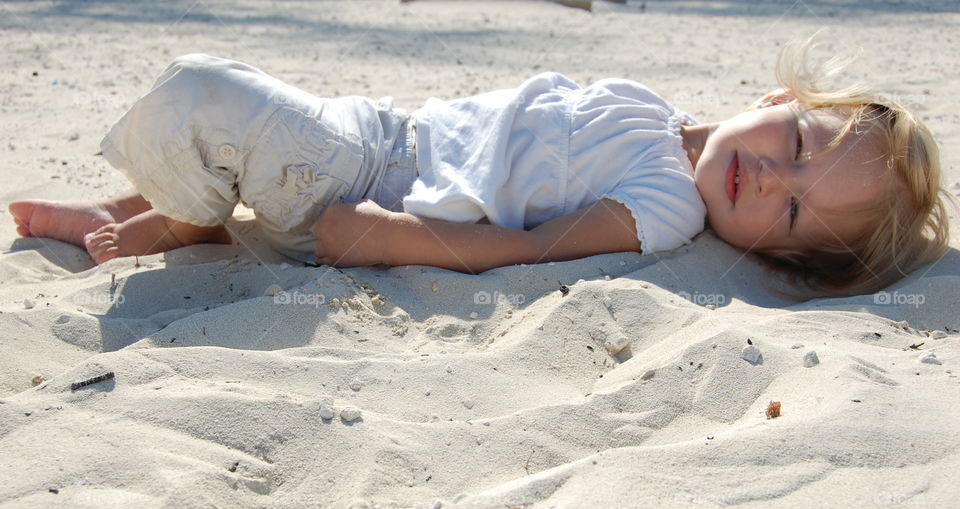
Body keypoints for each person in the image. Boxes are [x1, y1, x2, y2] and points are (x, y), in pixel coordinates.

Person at [7, 38, 952, 298]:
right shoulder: (649, 112)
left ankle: (182, 222)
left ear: (781, 257)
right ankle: (122, 207)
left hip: (362, 191)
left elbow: (527, 246)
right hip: (380, 133)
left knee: (207, 94)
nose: (771, 181)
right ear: (777, 101)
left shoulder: (664, 206)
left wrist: (382, 237)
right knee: (248, 104)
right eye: (793, 149)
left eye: (792, 215)